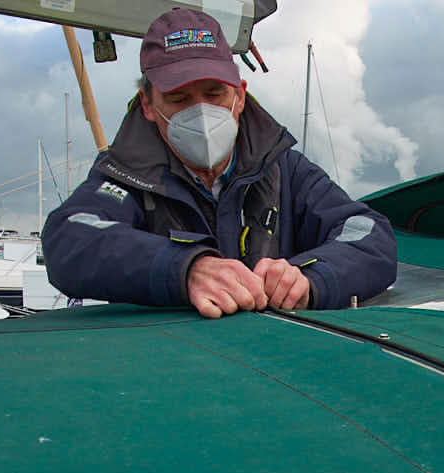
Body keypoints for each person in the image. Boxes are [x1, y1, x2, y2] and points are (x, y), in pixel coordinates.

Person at [41, 9, 396, 317]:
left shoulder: (284, 169)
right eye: (178, 98)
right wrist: (185, 268)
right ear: (148, 105)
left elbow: (369, 233)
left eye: (214, 93)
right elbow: (70, 238)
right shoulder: (122, 176)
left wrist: (309, 279)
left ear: (239, 95)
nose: (200, 111)